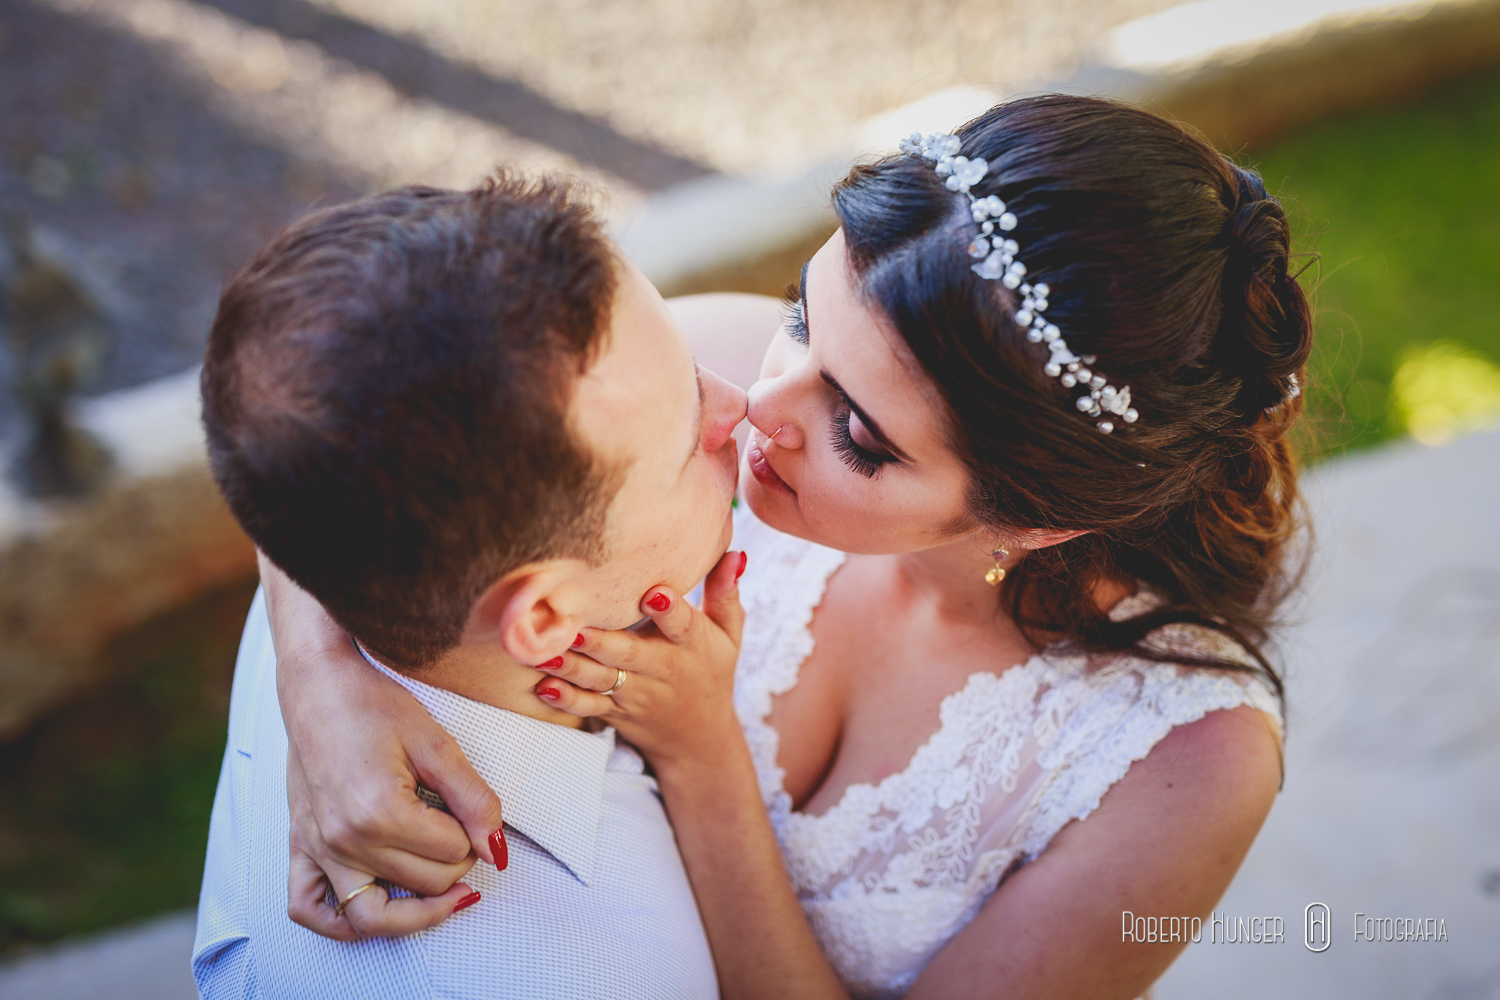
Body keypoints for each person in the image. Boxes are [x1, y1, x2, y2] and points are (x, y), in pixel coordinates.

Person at [266, 95, 1310, 999]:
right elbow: (342, 415)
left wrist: (703, 753)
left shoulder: (1188, 765)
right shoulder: (709, 363)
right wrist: (322, 690)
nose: (754, 408)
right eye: (806, 317)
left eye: (859, 435)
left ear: (1035, 520)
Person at [191, 174, 751, 999]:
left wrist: (312, 664)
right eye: (685, 447)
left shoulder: (333, 555)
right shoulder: (610, 975)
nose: (735, 405)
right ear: (546, 616)